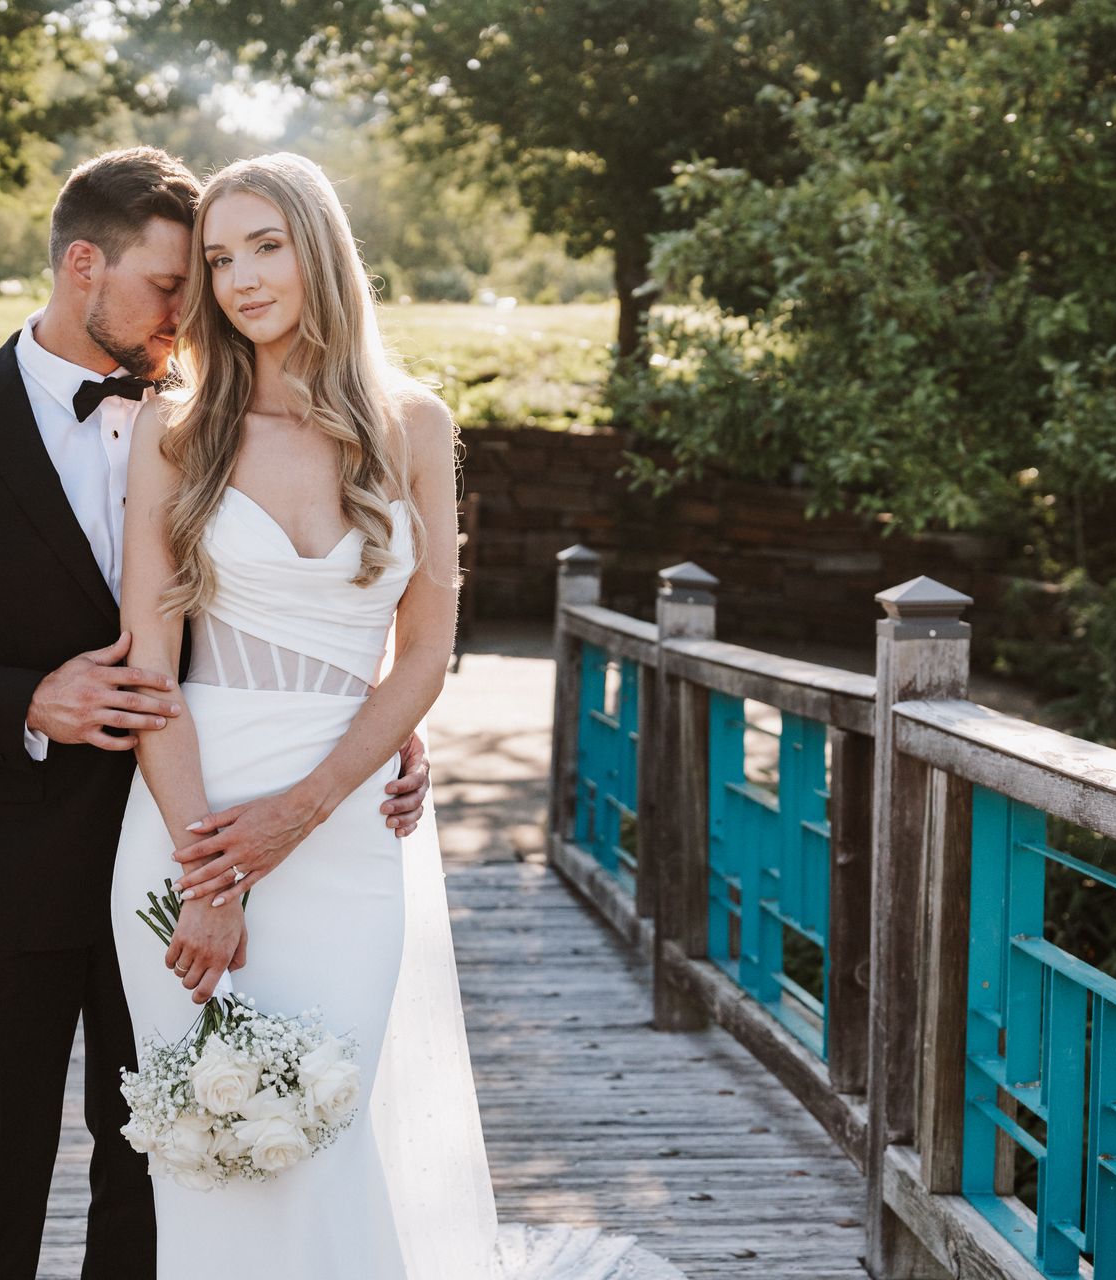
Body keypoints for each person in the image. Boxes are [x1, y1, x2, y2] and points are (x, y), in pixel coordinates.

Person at [0, 147, 432, 1280]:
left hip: (190, 846)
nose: (193, 308)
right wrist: (27, 700)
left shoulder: (200, 416)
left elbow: (297, 617)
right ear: (82, 265)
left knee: (160, 1170)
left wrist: (384, 720)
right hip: (11, 865)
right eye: (172, 284)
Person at [108, 152, 686, 1279]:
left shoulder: (413, 424)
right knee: (210, 1157)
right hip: (190, 822)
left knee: (327, 1141)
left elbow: (424, 654)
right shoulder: (174, 431)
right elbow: (149, 676)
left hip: (347, 829)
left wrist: (308, 808)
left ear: (320, 247)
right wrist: (214, 874)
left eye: (265, 245)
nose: (241, 279)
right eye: (219, 259)